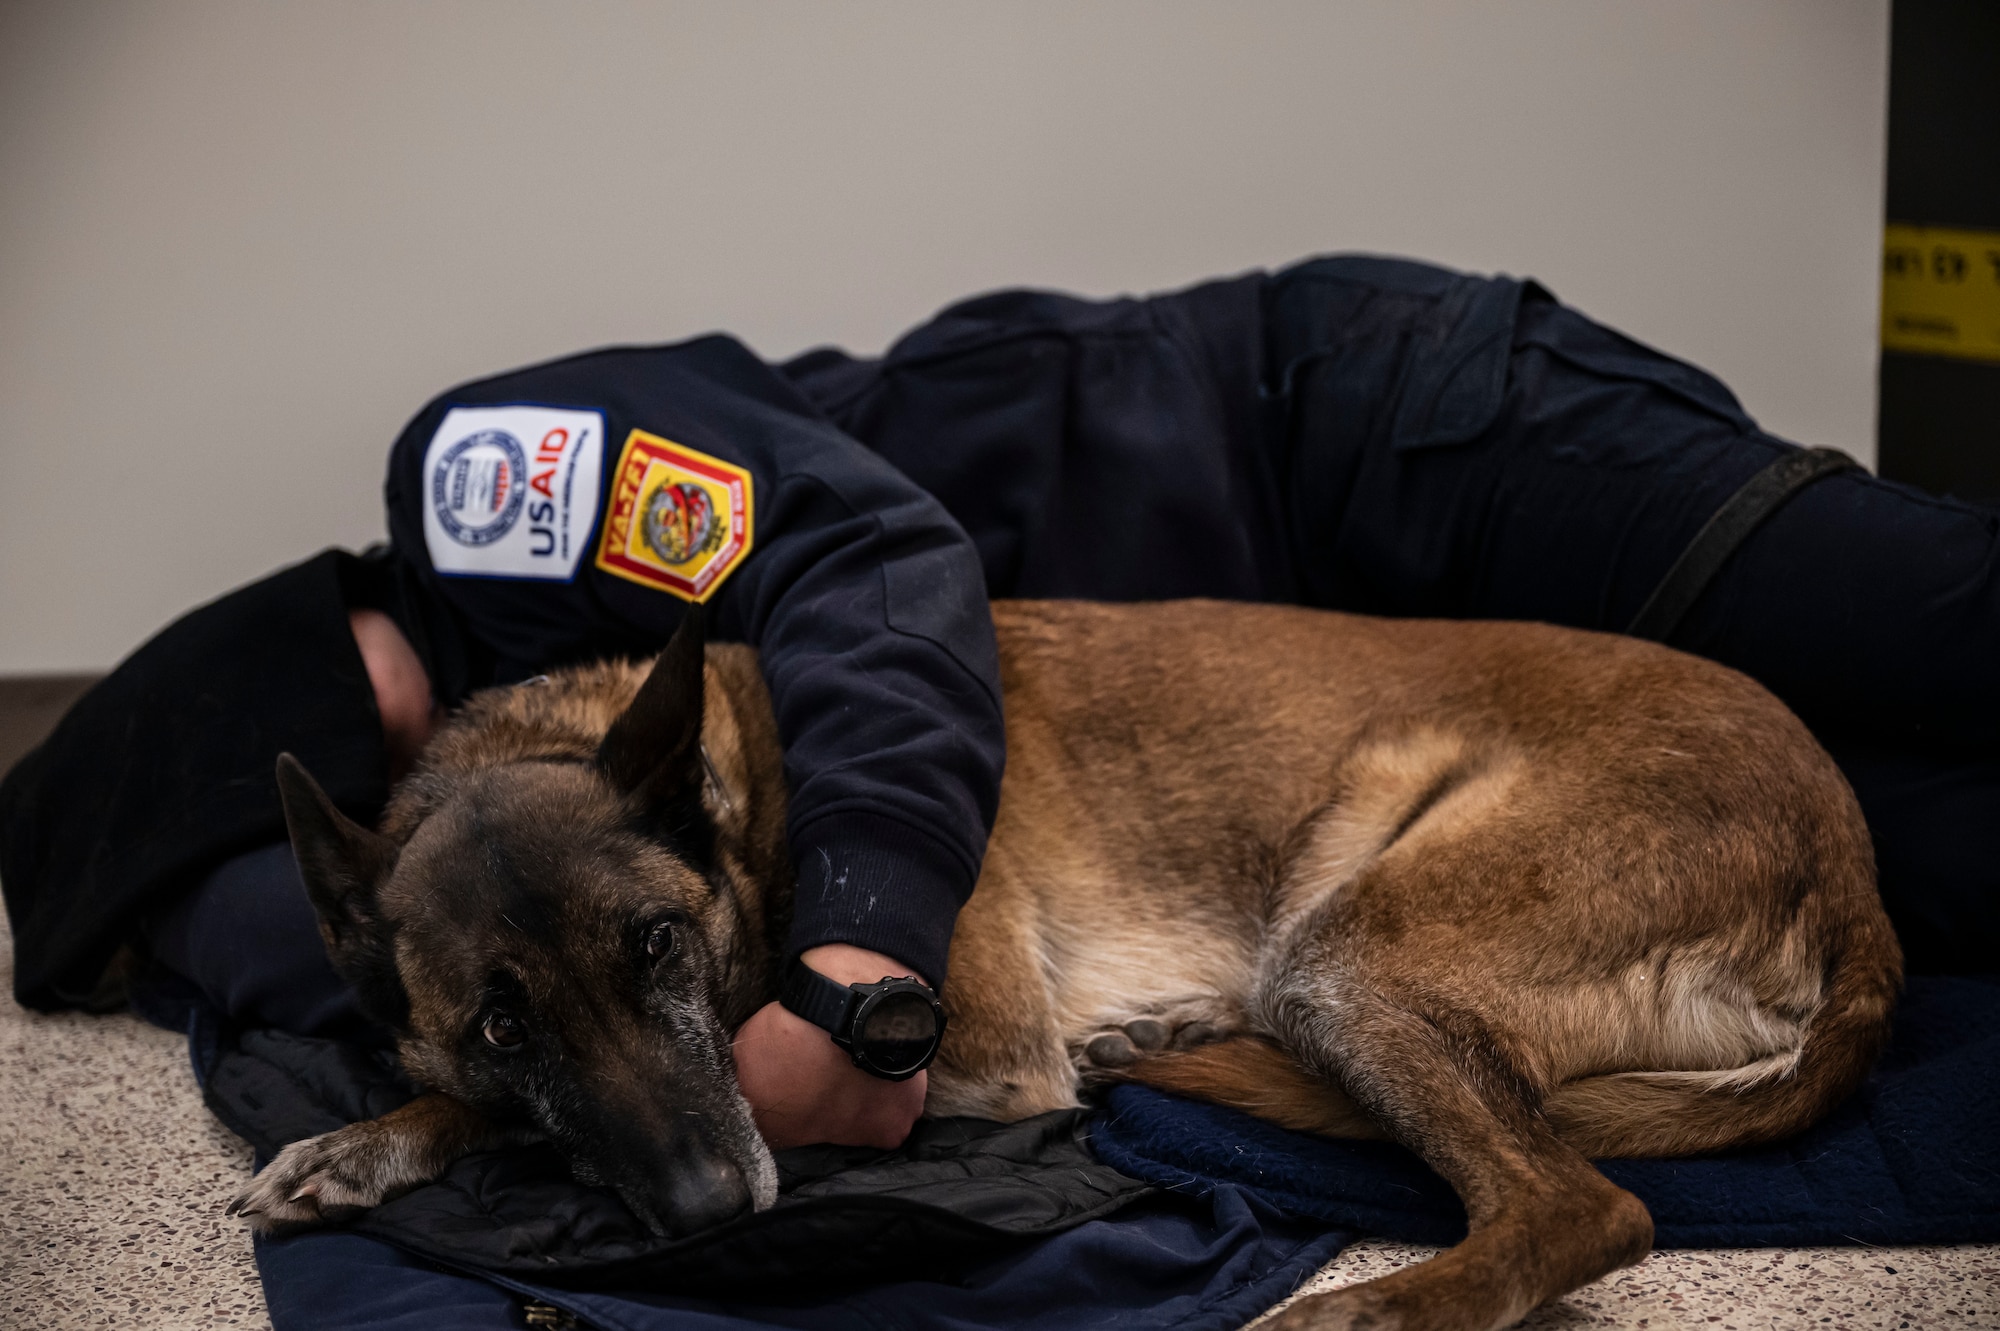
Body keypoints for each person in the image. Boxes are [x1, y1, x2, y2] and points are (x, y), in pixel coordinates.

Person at [4, 254, 1994, 1157]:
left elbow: (885, 566)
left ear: (304, 668)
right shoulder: (580, 794)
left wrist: (862, 960)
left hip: (1380, 436)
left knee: (1952, 622)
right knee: (1934, 865)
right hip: (1400, 708)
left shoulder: (484, 491)